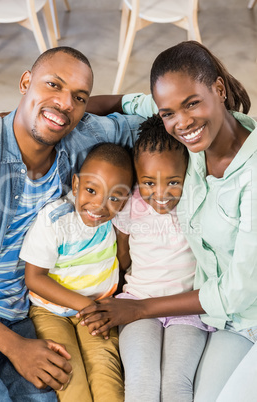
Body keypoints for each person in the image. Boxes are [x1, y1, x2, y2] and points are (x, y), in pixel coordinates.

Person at [78, 41, 257, 401]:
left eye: (192, 103)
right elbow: (124, 102)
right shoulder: (182, 140)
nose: (182, 122)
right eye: (168, 113)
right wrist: (56, 111)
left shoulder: (249, 174)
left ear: (218, 90)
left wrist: (142, 307)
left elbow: (238, 291)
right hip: (205, 312)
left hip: (243, 315)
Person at [0, 45, 144, 401]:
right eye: (53, 85)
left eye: (79, 97)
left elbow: (155, 118)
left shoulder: (80, 142)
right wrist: (15, 347)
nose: (64, 104)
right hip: (5, 329)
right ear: (25, 81)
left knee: (54, 390)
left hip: (19, 313)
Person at [19, 143, 133, 402]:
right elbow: (34, 278)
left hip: (99, 309)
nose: (99, 205)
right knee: (69, 377)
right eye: (91, 190)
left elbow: (122, 259)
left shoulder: (116, 219)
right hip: (51, 311)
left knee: (107, 378)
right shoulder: (55, 219)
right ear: (77, 183)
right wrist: (85, 305)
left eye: (115, 198)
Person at [112, 115, 214, 402]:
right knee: (142, 381)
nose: (160, 193)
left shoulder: (197, 205)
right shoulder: (130, 205)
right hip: (136, 303)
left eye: (173, 181)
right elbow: (122, 253)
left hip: (188, 310)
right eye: (148, 182)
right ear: (136, 176)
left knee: (177, 385)